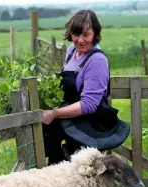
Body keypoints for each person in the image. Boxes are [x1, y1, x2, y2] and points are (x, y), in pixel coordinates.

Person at [42, 9, 130, 165]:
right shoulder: (71, 52)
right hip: (68, 126)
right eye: (76, 34)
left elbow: (89, 105)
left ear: (95, 33)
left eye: (86, 35)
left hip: (86, 132)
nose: (80, 40)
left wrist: (54, 113)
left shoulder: (97, 60)